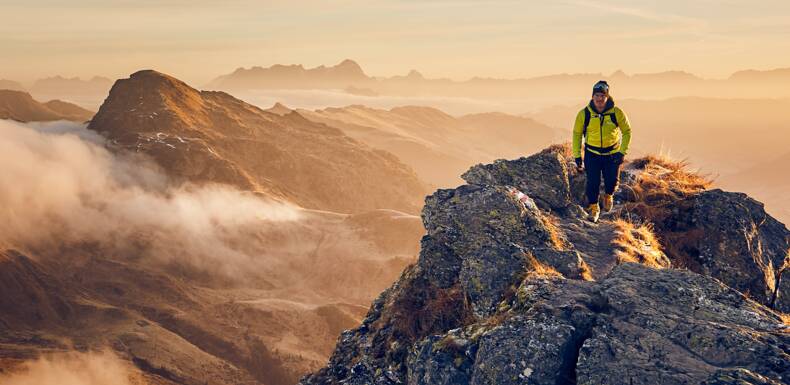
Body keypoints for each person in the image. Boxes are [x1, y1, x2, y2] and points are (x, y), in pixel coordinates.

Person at [572, 80, 632, 223]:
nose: (599, 99)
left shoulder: (616, 113)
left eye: (602, 96)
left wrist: (622, 152)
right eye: (597, 95)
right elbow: (577, 134)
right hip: (592, 153)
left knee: (612, 181)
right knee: (593, 182)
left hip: (612, 153)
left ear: (607, 97)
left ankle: (608, 195)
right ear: (592, 97)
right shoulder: (584, 114)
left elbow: (627, 132)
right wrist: (577, 156)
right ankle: (594, 209)